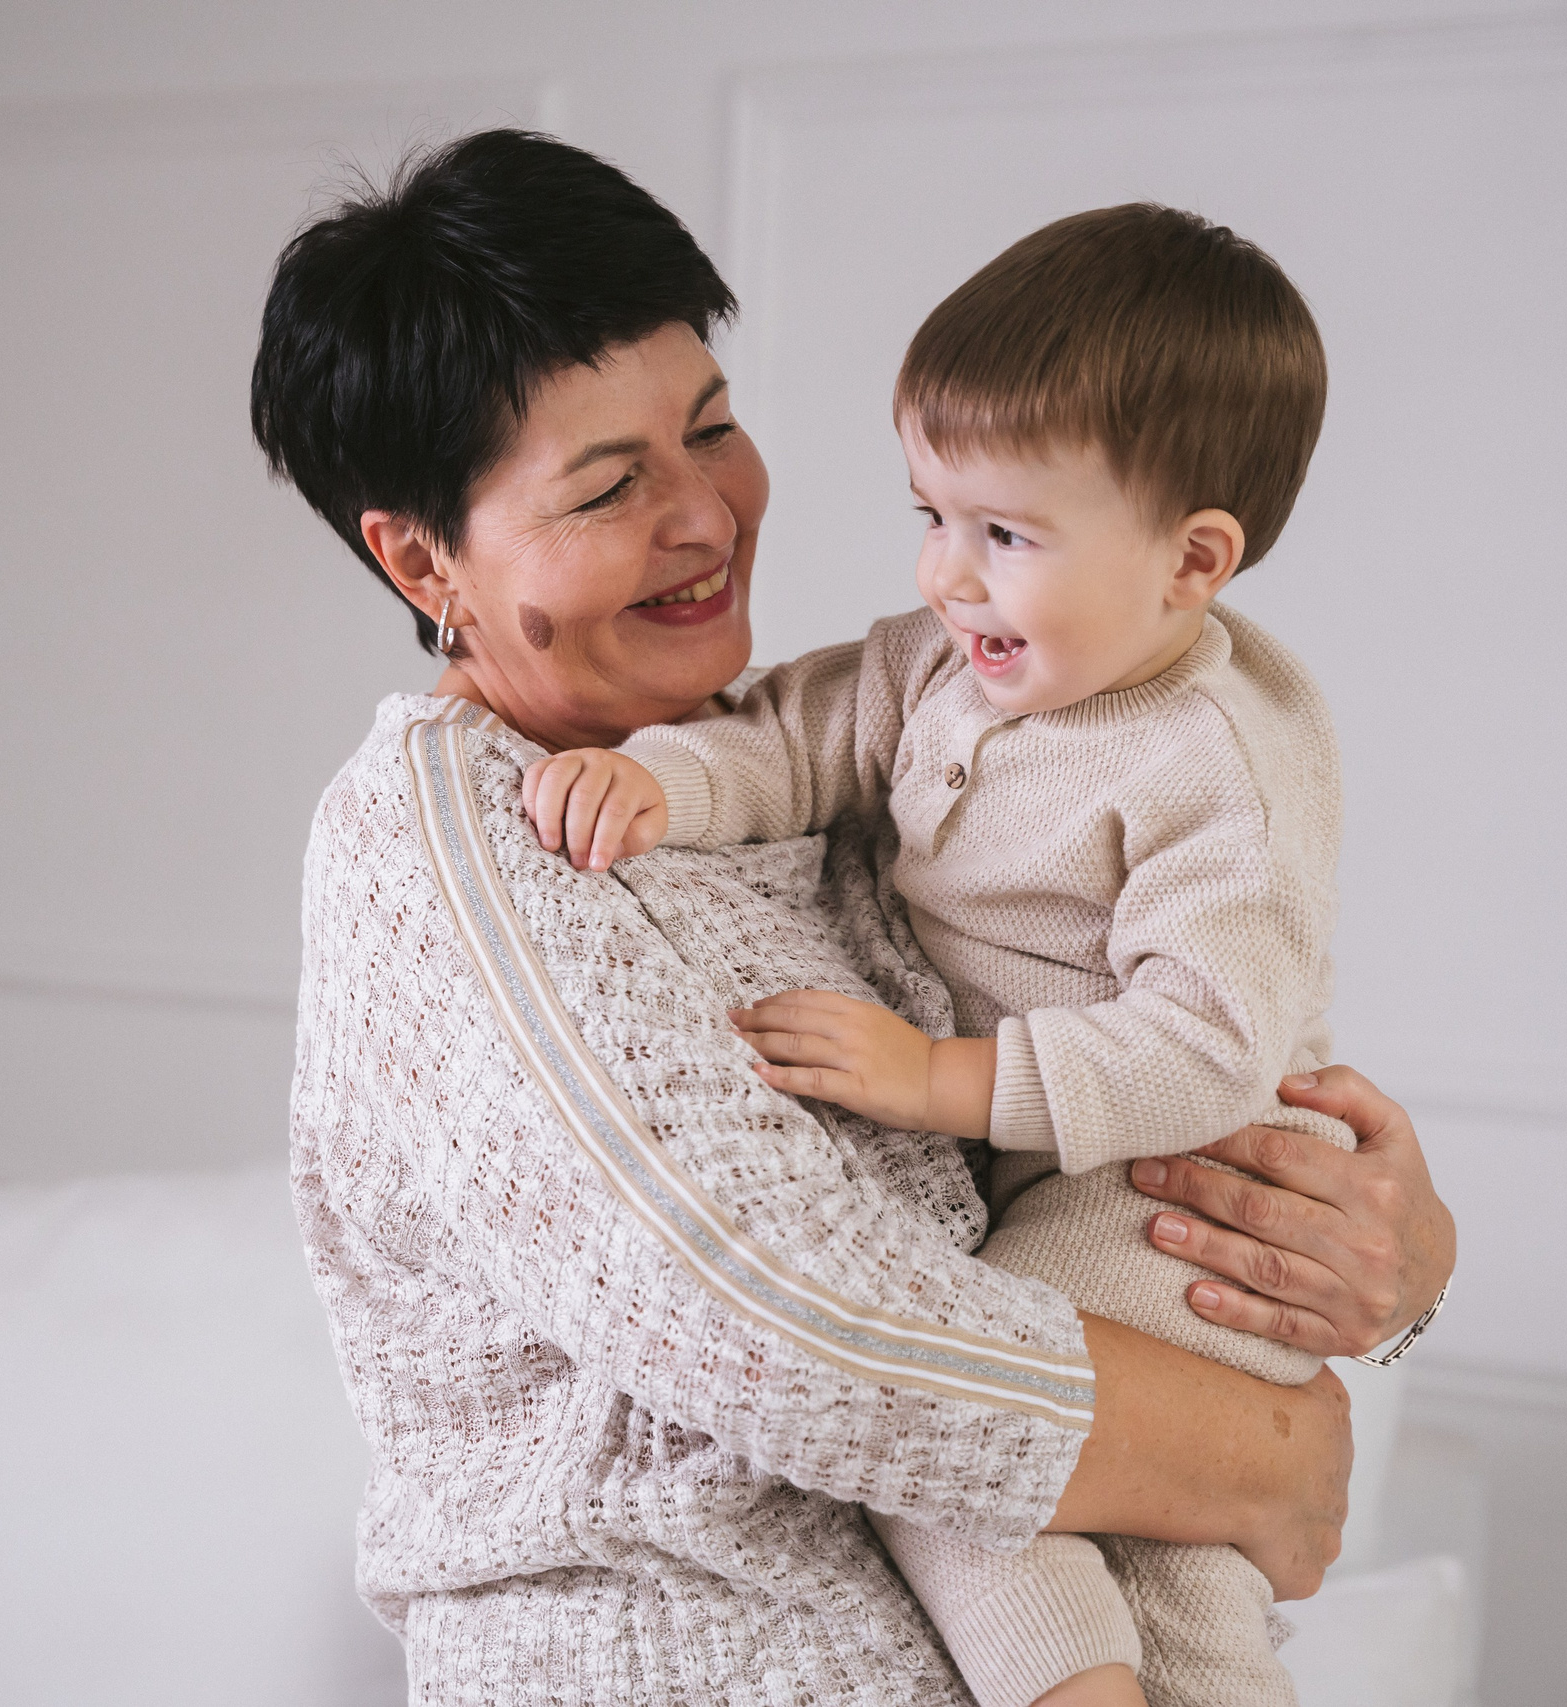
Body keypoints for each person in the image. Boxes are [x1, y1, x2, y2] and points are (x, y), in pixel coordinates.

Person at [253, 129, 1455, 1707]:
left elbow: (1091, 1104)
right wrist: (1269, 1451)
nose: (706, 516)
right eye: (612, 486)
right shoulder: (449, 850)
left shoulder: (818, 766)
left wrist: (1398, 1265)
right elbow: (802, 1334)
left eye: (714, 428)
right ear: (424, 559)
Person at [525, 205, 1345, 1707]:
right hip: (1037, 1171)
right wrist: (663, 786)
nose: (949, 578)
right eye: (931, 515)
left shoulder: (1210, 763)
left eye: (1007, 536)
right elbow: (796, 738)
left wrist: (937, 1080)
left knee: (970, 1447)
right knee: (1157, 1554)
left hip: (1164, 1180)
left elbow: (1209, 1044)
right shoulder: (942, 664)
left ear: (1191, 560)